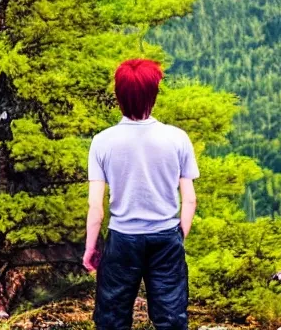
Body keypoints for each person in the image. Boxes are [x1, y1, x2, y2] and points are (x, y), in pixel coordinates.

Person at [82, 59, 199, 330]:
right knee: (170, 319)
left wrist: (91, 248)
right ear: (154, 94)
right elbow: (189, 199)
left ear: (118, 94)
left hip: (122, 240)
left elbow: (96, 208)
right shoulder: (177, 138)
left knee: (112, 319)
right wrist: (178, 236)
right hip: (166, 237)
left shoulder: (102, 141)